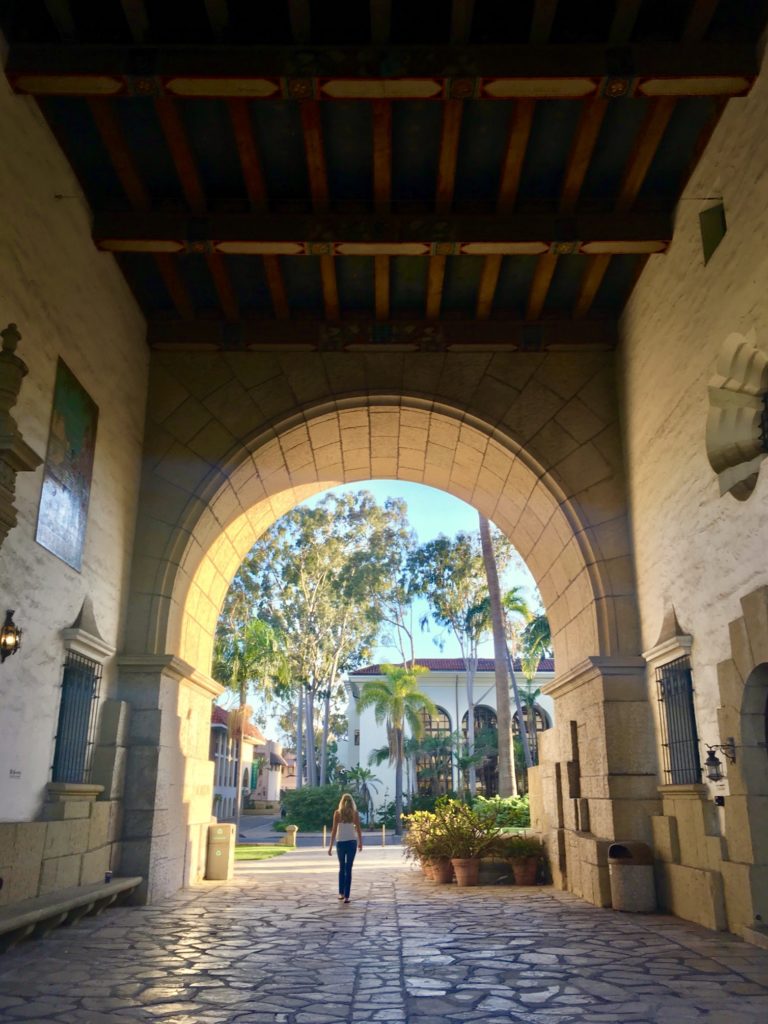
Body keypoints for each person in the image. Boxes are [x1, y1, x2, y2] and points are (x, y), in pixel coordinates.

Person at [328, 793, 363, 903]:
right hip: (352, 842)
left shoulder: (337, 813)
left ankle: (341, 893)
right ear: (352, 802)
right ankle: (347, 896)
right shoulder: (355, 814)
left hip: (341, 843)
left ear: (342, 802)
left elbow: (334, 830)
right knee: (349, 868)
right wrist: (360, 843)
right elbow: (358, 829)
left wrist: (330, 846)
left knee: (342, 868)